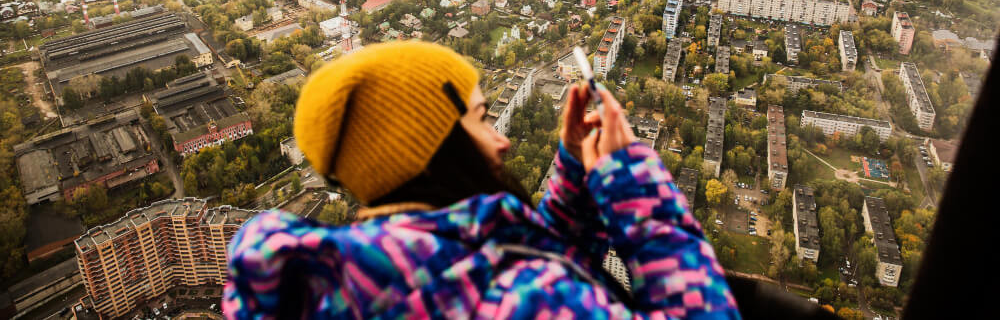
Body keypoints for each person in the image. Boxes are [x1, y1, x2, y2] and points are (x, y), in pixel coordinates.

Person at [223, 40, 739, 318]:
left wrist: (576, 172)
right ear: (428, 146)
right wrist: (636, 189)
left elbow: (511, 261)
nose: (503, 139)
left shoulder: (377, 274)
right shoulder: (518, 300)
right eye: (481, 119)